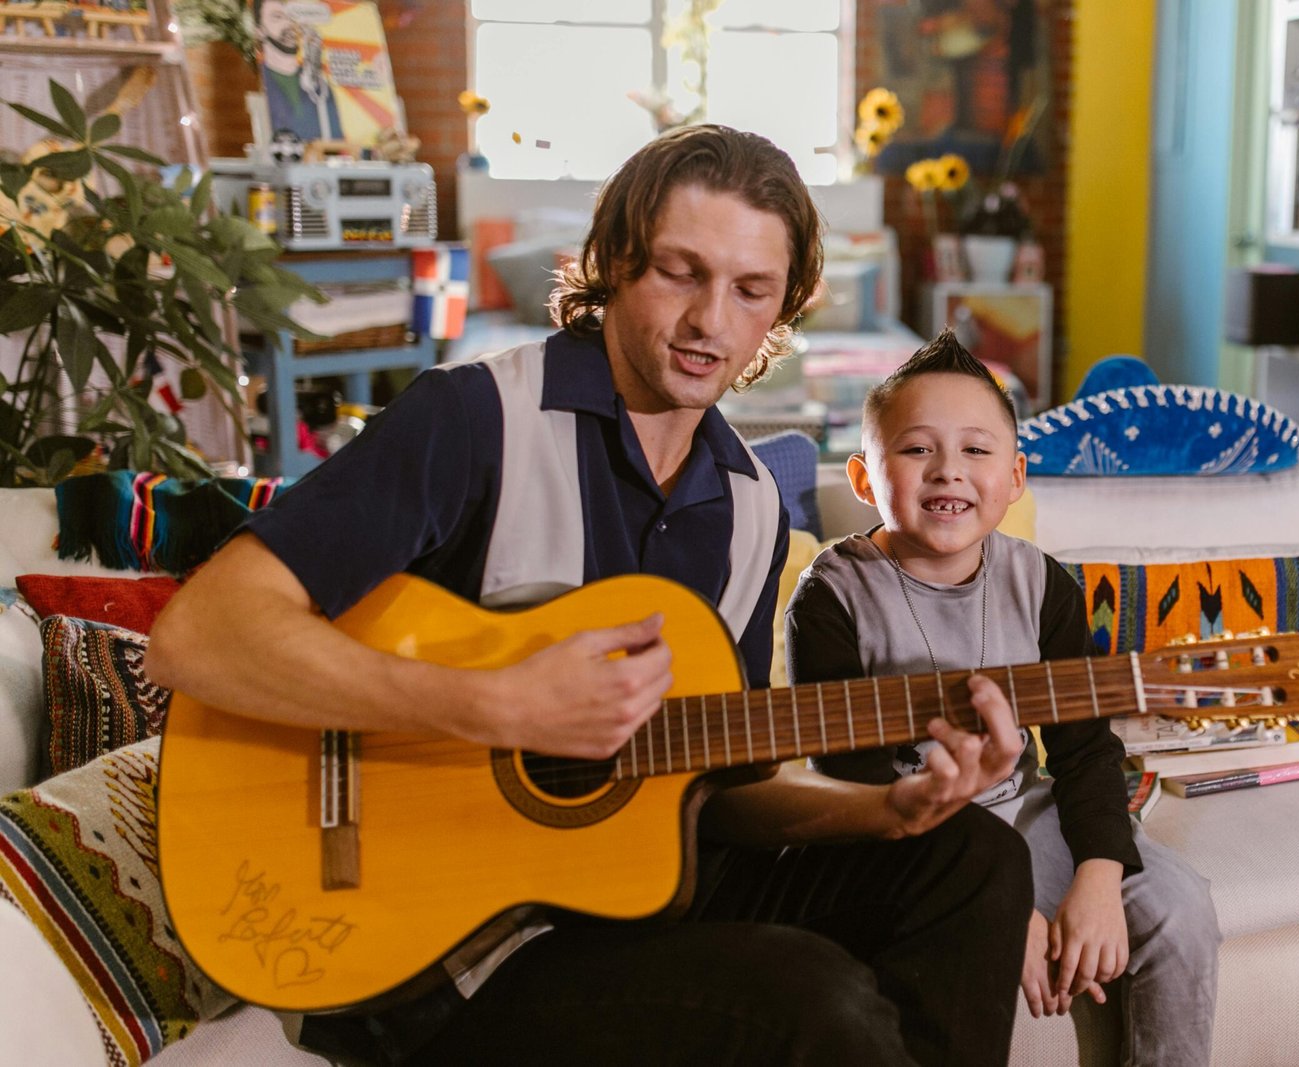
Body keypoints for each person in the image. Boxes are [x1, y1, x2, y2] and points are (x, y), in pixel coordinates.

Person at [146, 125, 1034, 1066]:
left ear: (783, 307)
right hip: (446, 952)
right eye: (679, 272)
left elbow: (719, 794)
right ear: (610, 261)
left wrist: (888, 809)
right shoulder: (474, 419)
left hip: (631, 908)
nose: (711, 324)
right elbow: (199, 634)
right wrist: (497, 704)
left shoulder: (746, 510)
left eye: (750, 291)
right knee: (816, 1000)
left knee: (976, 860)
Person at [785, 331, 1222, 1065]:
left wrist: (1098, 875)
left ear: (1016, 476)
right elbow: (852, 778)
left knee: (1179, 907)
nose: (948, 469)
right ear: (865, 478)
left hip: (1022, 808)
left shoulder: (1043, 582)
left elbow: (1085, 750)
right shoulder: (832, 595)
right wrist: (1002, 910)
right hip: (902, 836)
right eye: (918, 449)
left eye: (977, 451)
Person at [255, 0, 344, 144]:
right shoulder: (258, 80)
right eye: (277, 17)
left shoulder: (319, 84)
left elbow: (338, 143)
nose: (289, 25)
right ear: (259, 31)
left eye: (292, 17)